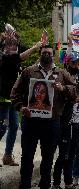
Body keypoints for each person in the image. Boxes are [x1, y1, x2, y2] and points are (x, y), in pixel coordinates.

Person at [10, 44, 76, 189]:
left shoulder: (62, 73)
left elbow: (75, 93)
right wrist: (21, 107)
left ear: (54, 55)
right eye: (44, 52)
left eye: (49, 53)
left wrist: (63, 88)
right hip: (30, 120)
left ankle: (45, 184)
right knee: (27, 156)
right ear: (40, 54)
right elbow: (14, 93)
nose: (47, 55)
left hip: (52, 122)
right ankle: (25, 185)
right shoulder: (29, 71)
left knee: (48, 157)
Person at [0, 26, 41, 167]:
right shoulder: (5, 56)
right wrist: (36, 47)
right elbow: (21, 56)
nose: (14, 45)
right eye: (11, 42)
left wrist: (39, 60)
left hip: (11, 98)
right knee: (2, 127)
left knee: (14, 126)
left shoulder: (15, 59)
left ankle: (7, 155)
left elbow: (25, 66)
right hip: (2, 98)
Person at [52, 51, 79, 189]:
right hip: (64, 120)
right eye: (73, 62)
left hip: (77, 121)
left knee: (72, 153)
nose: (76, 65)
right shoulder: (61, 76)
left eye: (78, 63)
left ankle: (69, 181)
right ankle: (56, 182)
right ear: (67, 63)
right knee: (63, 153)